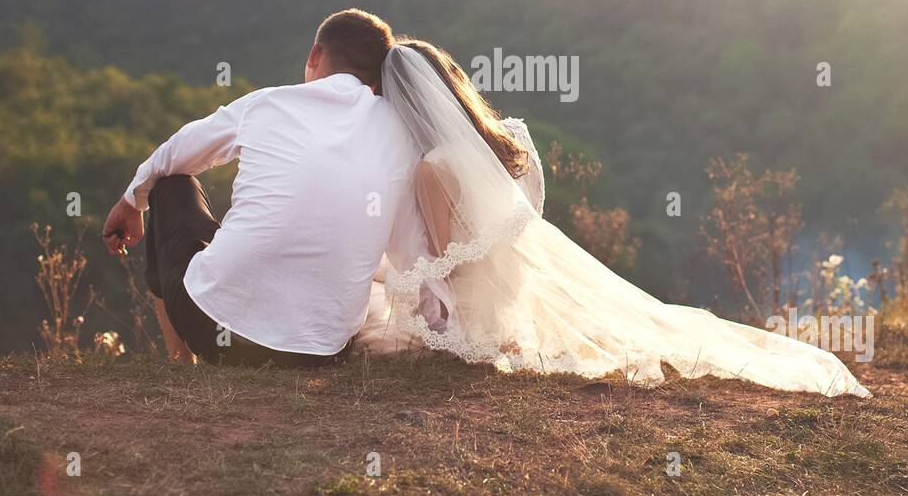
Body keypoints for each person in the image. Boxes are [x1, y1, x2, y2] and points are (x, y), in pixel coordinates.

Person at [360, 38, 870, 398]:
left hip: (476, 311)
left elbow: (449, 263)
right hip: (510, 294)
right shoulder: (493, 146)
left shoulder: (432, 168)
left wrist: (402, 289)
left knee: (374, 323)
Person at [100, 8, 420, 368]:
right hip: (324, 351)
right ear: (379, 78)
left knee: (169, 183)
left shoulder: (271, 102)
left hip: (212, 330)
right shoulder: (399, 134)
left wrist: (131, 201)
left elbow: (177, 153)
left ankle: (180, 360)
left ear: (314, 55)